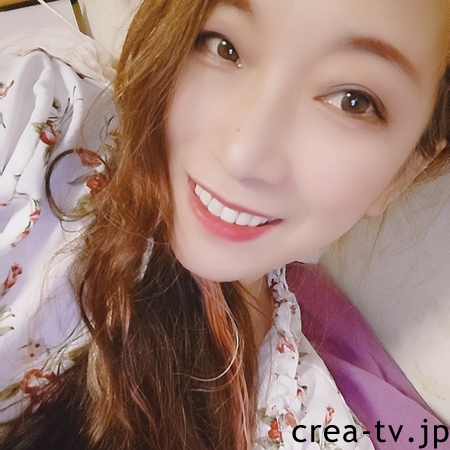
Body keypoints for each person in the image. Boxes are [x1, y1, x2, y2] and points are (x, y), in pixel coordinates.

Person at [0, 0, 448, 449]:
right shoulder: (29, 121)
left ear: (405, 170)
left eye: (353, 101)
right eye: (223, 46)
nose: (241, 155)